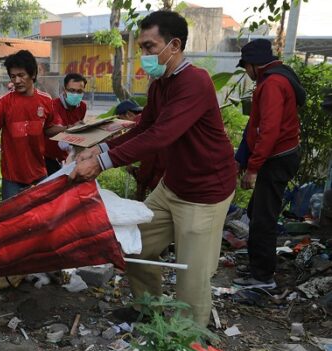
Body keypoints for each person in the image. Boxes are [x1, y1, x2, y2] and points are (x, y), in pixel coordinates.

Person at [70, 11, 237, 327]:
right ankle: (148, 311)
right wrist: (99, 147)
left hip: (204, 194)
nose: (144, 56)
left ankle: (189, 340)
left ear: (174, 45)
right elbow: (144, 125)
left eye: (149, 47)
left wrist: (102, 163)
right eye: (142, 48)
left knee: (192, 275)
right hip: (172, 187)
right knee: (133, 245)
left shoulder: (194, 82)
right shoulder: (161, 84)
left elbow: (161, 136)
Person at [232, 39, 305, 290]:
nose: (247, 73)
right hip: (279, 156)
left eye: (246, 68)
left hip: (276, 158)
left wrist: (253, 167)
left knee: (263, 218)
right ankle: (258, 265)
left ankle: (262, 277)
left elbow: (269, 130)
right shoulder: (275, 78)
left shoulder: (272, 83)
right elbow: (256, 127)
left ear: (253, 65)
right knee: (256, 211)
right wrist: (244, 159)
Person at [0, 50, 64, 200]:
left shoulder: (45, 100)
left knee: (41, 217)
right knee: (11, 221)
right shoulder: (4, 102)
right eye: (13, 76)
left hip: (39, 174)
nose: (16, 81)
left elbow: (49, 129)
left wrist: (69, 130)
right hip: (12, 178)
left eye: (21, 75)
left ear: (33, 75)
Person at [115, 99, 165, 201]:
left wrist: (139, 175)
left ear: (128, 114)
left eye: (120, 119)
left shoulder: (138, 125)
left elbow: (148, 157)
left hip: (159, 177)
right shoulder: (151, 118)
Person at [46, 73, 87, 174]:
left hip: (68, 157)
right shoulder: (52, 105)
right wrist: (71, 127)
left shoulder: (82, 107)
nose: (75, 94)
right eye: (72, 90)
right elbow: (48, 130)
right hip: (48, 157)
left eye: (79, 91)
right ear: (64, 90)